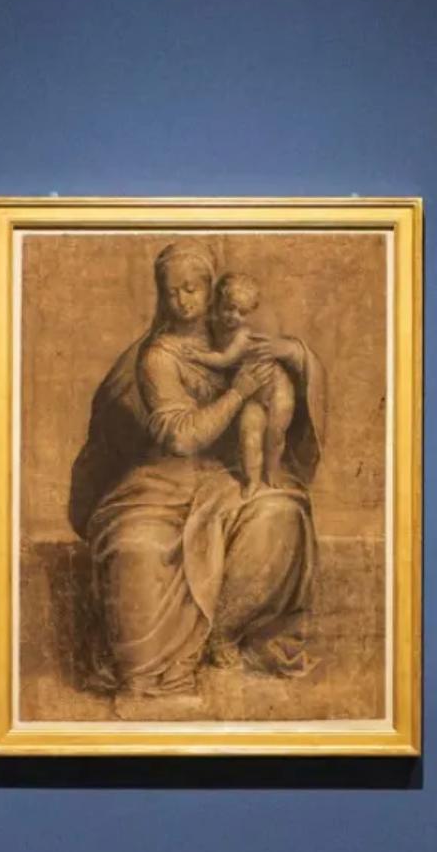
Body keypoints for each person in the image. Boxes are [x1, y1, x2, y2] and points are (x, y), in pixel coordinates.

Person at [67, 242, 328, 697]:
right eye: (171, 292)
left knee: (280, 514)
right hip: (159, 485)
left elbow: (284, 371)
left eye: (192, 289)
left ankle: (225, 635)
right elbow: (182, 438)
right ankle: (164, 664)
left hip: (229, 475)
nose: (182, 300)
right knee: (138, 547)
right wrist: (238, 392)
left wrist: (297, 355)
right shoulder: (158, 357)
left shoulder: (232, 334)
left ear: (211, 289)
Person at [177, 272, 297, 496]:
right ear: (219, 304)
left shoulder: (242, 335)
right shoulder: (213, 327)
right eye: (229, 308)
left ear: (249, 312)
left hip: (277, 390)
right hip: (253, 395)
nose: (234, 316)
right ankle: (252, 481)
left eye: (242, 312)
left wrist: (197, 356)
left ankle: (272, 472)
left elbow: (224, 360)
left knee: (275, 436)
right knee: (249, 437)